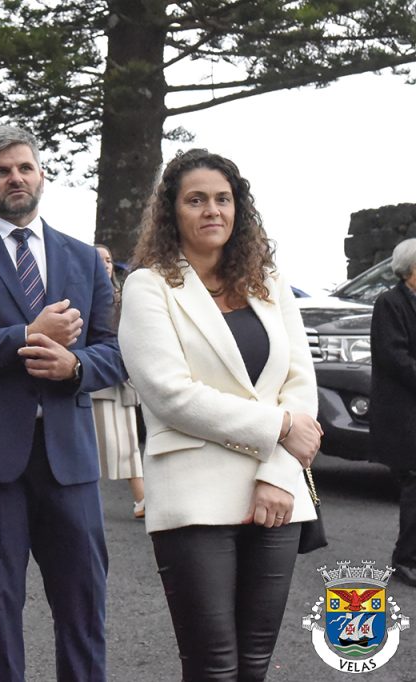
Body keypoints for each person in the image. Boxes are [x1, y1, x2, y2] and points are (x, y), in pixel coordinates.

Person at [0, 125, 123, 682]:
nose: (15, 178)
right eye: (2, 171)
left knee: (84, 607)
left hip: (68, 459)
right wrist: (26, 336)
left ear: (42, 176)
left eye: (24, 167)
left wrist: (75, 367)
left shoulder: (83, 259)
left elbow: (115, 352)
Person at [118, 148, 322, 680]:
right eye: (196, 200)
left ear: (238, 209)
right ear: (172, 212)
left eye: (223, 199)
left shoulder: (269, 283)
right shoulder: (148, 286)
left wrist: (278, 474)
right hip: (194, 498)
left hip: (277, 493)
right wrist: (279, 427)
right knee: (213, 666)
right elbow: (170, 395)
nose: (212, 210)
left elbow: (300, 383)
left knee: (254, 665)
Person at [370, 238, 416, 588]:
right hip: (403, 413)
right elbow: (394, 357)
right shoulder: (390, 303)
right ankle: (406, 559)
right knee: (414, 483)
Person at [90, 244, 145, 518]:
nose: (105, 264)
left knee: (126, 444)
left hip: (122, 378)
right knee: (103, 447)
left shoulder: (124, 295)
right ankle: (141, 500)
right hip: (96, 379)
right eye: (99, 259)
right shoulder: (82, 294)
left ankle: (142, 500)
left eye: (109, 259)